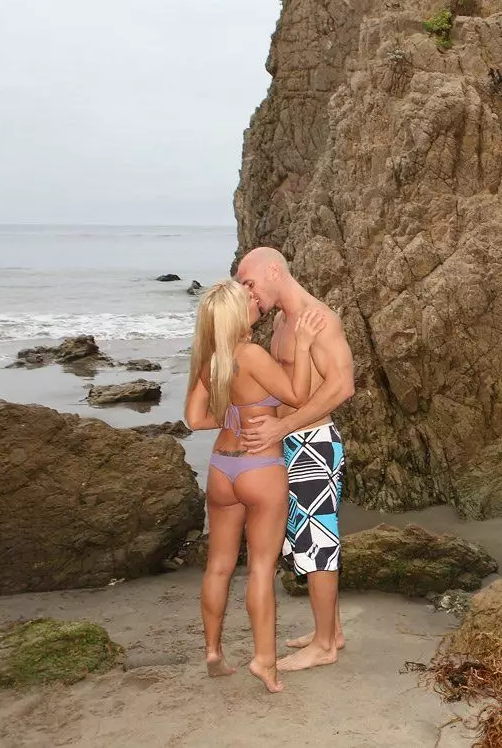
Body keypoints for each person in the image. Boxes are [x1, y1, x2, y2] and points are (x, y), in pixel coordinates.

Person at [184, 279, 325, 693]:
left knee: (218, 565)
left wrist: (232, 417)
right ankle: (264, 660)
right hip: (259, 465)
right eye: (247, 299)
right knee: (261, 567)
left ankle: (213, 651)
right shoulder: (252, 355)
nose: (254, 299)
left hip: (221, 467)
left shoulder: (210, 360)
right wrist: (303, 346)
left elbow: (194, 418)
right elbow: (298, 396)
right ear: (235, 313)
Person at [235, 247, 355, 672]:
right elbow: (284, 386)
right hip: (288, 442)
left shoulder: (319, 319)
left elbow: (342, 386)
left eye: (249, 283)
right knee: (302, 540)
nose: (249, 293)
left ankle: (323, 646)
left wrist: (281, 427)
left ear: (274, 271)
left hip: (314, 443)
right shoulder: (282, 323)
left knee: (318, 543)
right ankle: (332, 631)